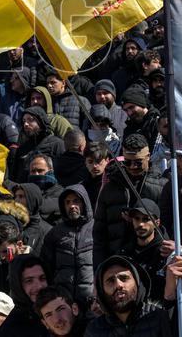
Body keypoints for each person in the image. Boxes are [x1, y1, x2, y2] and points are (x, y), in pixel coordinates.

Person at [92, 134, 165, 268]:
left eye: (138, 162)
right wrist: (99, 269)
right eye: (127, 162)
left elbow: (168, 227)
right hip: (117, 261)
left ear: (148, 156)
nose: (132, 166)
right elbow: (99, 235)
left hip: (151, 262)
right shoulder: (110, 188)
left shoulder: (162, 187)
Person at [86, 255, 171, 336]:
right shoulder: (94, 330)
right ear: (102, 290)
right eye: (110, 281)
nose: (118, 285)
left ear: (137, 283)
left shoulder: (158, 317)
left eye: (124, 278)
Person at [40, 185, 94, 308]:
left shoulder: (97, 229)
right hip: (64, 303)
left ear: (84, 203)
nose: (72, 206)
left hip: (92, 302)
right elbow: (47, 267)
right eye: (67, 202)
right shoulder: (55, 233)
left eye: (76, 201)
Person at [0, 254, 49, 337]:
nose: (39, 286)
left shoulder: (60, 311)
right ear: (17, 285)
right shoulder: (10, 330)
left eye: (42, 278)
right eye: (29, 281)